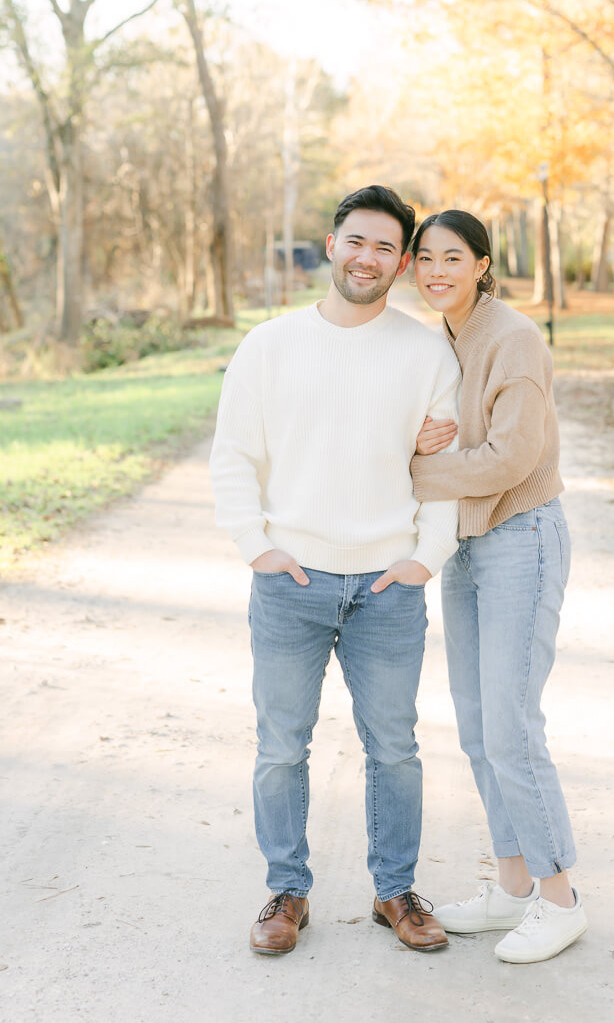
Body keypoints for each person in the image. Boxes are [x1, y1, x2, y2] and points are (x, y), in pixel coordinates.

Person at [209, 186, 459, 956]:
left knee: (395, 748)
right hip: (292, 584)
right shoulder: (269, 345)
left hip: (388, 586)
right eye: (358, 240)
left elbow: (440, 466)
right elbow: (233, 458)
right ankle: (286, 891)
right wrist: (258, 548)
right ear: (331, 244)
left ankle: (395, 892)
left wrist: (426, 558)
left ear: (403, 262)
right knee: (282, 744)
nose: (369, 257)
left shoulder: (424, 351)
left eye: (387, 247)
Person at [409, 209, 587, 964]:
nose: (436, 270)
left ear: (483, 263)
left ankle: (561, 899)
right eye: (425, 258)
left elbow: (512, 458)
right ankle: (512, 889)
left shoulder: (513, 336)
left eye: (453, 257)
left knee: (513, 728)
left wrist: (410, 472)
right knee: (479, 728)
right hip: (469, 547)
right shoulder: (442, 341)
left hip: (523, 539)